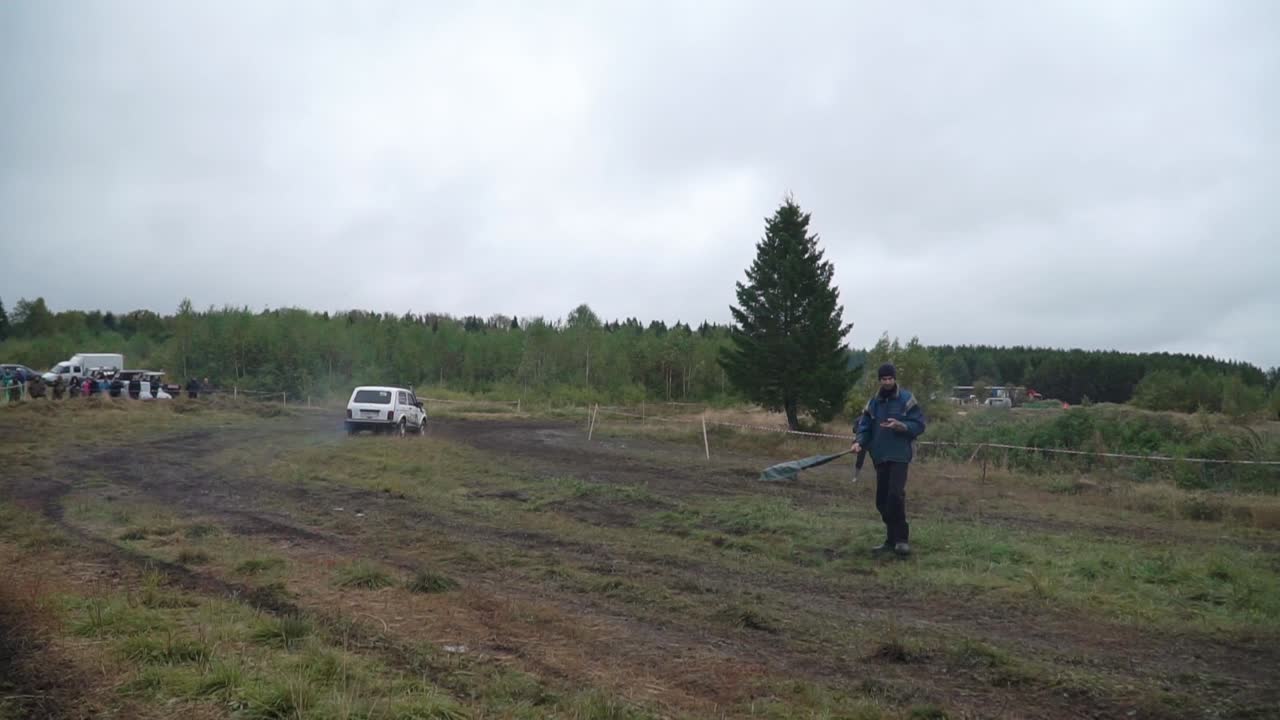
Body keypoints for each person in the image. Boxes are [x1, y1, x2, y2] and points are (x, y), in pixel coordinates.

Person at [852, 363, 926, 557]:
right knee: (882, 501)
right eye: (884, 379)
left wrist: (903, 426)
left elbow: (919, 424)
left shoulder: (907, 399)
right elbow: (864, 427)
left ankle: (901, 540)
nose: (887, 382)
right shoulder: (873, 403)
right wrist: (859, 442)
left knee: (895, 496)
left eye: (890, 378)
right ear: (880, 380)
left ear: (894, 379)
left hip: (900, 455)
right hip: (879, 455)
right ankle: (891, 539)